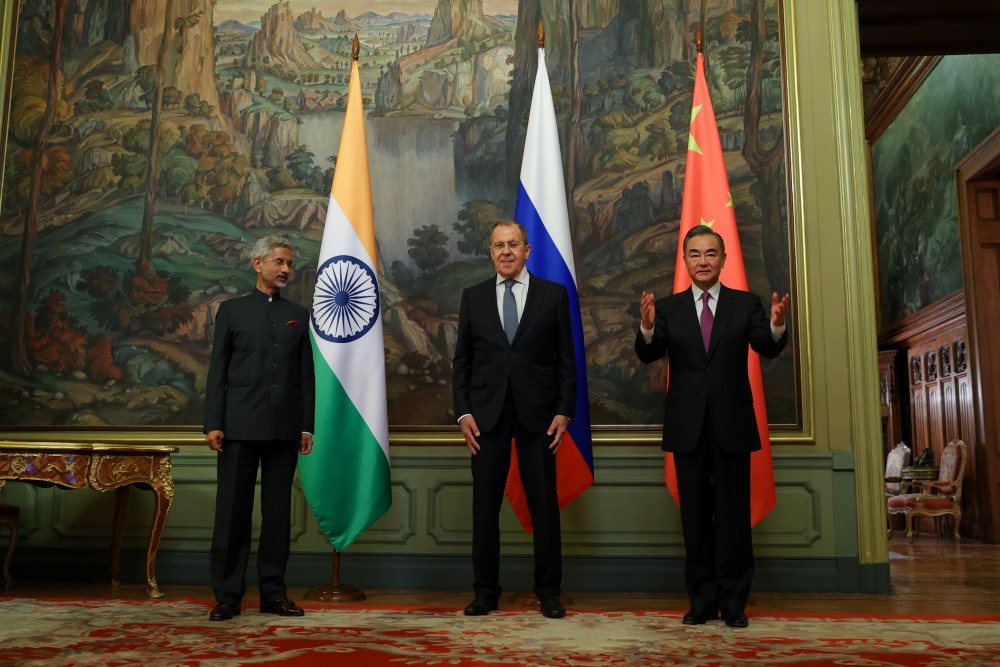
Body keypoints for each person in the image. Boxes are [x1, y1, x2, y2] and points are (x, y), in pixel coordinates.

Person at [635, 225, 790, 629]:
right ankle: (701, 601)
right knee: (696, 520)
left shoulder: (746, 303)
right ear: (684, 261)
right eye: (695, 254)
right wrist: (649, 326)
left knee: (733, 518)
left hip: (732, 425)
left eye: (710, 254)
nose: (702, 261)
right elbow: (650, 352)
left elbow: (767, 346)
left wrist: (775, 324)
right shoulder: (668, 308)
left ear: (723, 259)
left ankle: (734, 602)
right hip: (687, 426)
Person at [452, 220, 576, 619]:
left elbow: (567, 362)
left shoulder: (553, 295)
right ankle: (485, 592)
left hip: (539, 416)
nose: (506, 252)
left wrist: (564, 410)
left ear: (527, 250)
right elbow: (463, 363)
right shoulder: (473, 297)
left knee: (544, 506)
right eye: (498, 245)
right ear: (490, 251)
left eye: (514, 245)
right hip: (485, 417)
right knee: (484, 508)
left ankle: (549, 592)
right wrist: (464, 412)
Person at [204, 235, 315, 621]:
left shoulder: (299, 315)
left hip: (284, 429)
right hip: (237, 427)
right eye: (279, 262)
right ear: (258, 264)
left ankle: (273, 593)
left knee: (277, 516)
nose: (285, 270)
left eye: (289, 264)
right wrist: (214, 423)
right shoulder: (232, 311)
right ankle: (228, 596)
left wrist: (307, 425)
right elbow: (217, 371)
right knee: (232, 514)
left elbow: (306, 376)